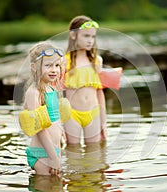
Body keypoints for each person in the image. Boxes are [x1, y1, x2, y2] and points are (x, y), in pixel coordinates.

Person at [21, 41, 65, 176]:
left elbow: (53, 118)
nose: (54, 70)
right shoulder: (34, 93)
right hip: (42, 153)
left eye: (57, 65)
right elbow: (40, 129)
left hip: (53, 150)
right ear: (34, 67)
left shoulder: (51, 88)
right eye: (48, 65)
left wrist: (61, 132)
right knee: (46, 191)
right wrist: (54, 158)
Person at [63, 15, 107, 144]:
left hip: (93, 112)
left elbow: (100, 92)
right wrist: (58, 122)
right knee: (72, 151)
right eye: (86, 36)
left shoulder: (96, 61)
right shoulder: (65, 61)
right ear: (73, 35)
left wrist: (103, 121)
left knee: (94, 150)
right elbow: (59, 93)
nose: (90, 41)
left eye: (93, 37)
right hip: (72, 113)